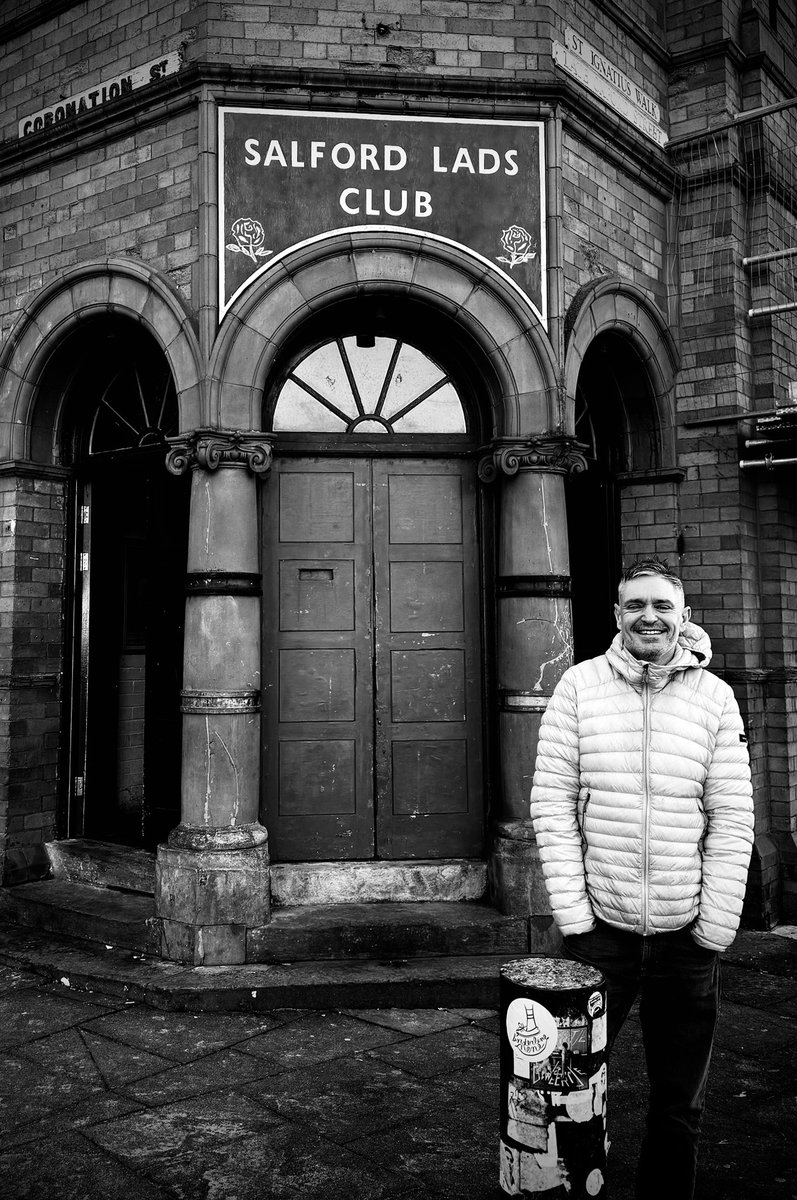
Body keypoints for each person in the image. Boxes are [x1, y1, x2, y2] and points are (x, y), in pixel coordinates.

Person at [529, 557, 754, 1200]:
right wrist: (575, 916)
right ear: (617, 614)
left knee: (679, 1106)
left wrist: (715, 925)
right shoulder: (579, 686)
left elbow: (732, 816)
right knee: (562, 1092)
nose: (648, 617)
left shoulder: (715, 697)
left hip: (688, 939)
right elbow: (552, 804)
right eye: (635, 605)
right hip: (601, 935)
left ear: (683, 616)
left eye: (661, 606)